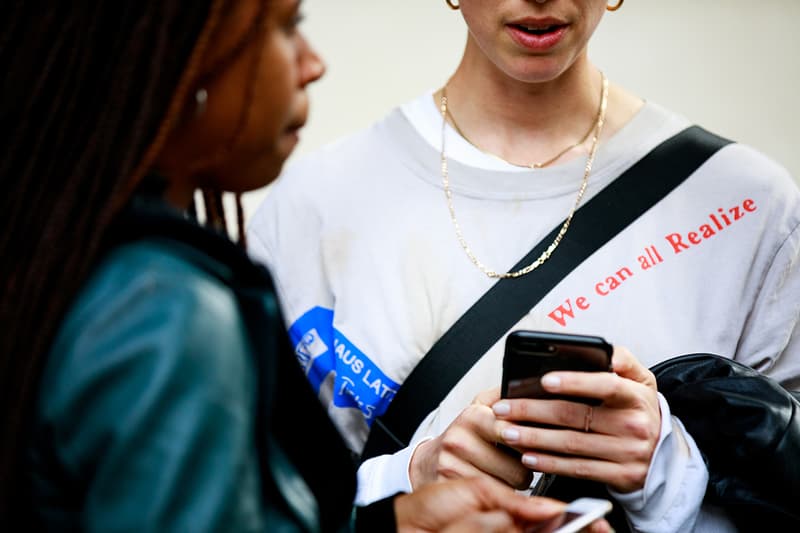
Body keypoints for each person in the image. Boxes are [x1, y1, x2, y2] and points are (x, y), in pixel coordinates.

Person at [0, 1, 615, 532]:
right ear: (183, 63)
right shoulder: (170, 312)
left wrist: (387, 526)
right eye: (286, 26)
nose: (311, 63)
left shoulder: (68, 259)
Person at [246, 0, 800, 531]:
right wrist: (410, 478)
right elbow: (243, 501)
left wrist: (666, 472)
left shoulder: (747, 209)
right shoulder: (313, 207)